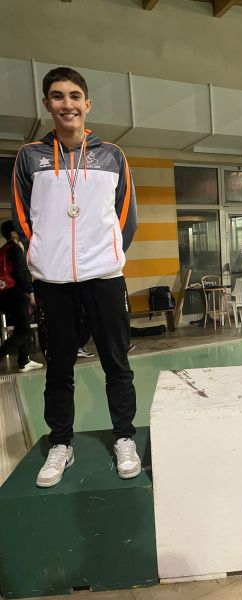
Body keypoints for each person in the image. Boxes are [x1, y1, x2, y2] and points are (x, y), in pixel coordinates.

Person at [12, 67, 140, 487]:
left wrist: (107, 255)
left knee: (117, 363)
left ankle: (124, 436)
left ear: (87, 104)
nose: (66, 104)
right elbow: (22, 216)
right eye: (57, 96)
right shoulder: (30, 156)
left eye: (73, 96)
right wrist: (43, 256)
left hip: (104, 277)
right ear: (46, 104)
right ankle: (61, 443)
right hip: (53, 282)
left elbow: (126, 216)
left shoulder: (113, 155)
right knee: (58, 368)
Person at [0, 220, 43, 373]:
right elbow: (22, 273)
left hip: (5, 295)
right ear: (13, 233)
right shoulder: (15, 249)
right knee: (23, 331)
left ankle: (24, 361)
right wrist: (30, 292)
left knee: (23, 327)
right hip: (17, 294)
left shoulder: (4, 249)